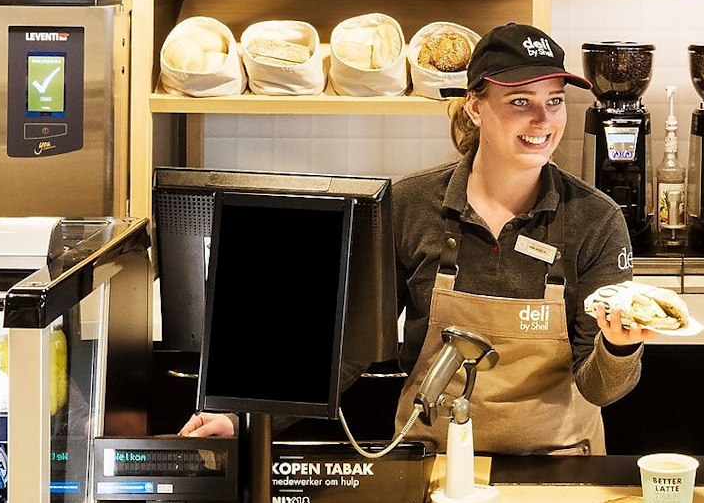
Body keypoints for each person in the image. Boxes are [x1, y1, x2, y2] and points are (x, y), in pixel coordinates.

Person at [181, 24, 651, 455]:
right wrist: (246, 417)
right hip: (433, 461)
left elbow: (601, 389)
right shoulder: (409, 204)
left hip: (560, 464)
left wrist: (620, 348)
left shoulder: (595, 220)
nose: (543, 120)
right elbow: (353, 347)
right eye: (519, 102)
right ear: (474, 106)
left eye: (553, 101)